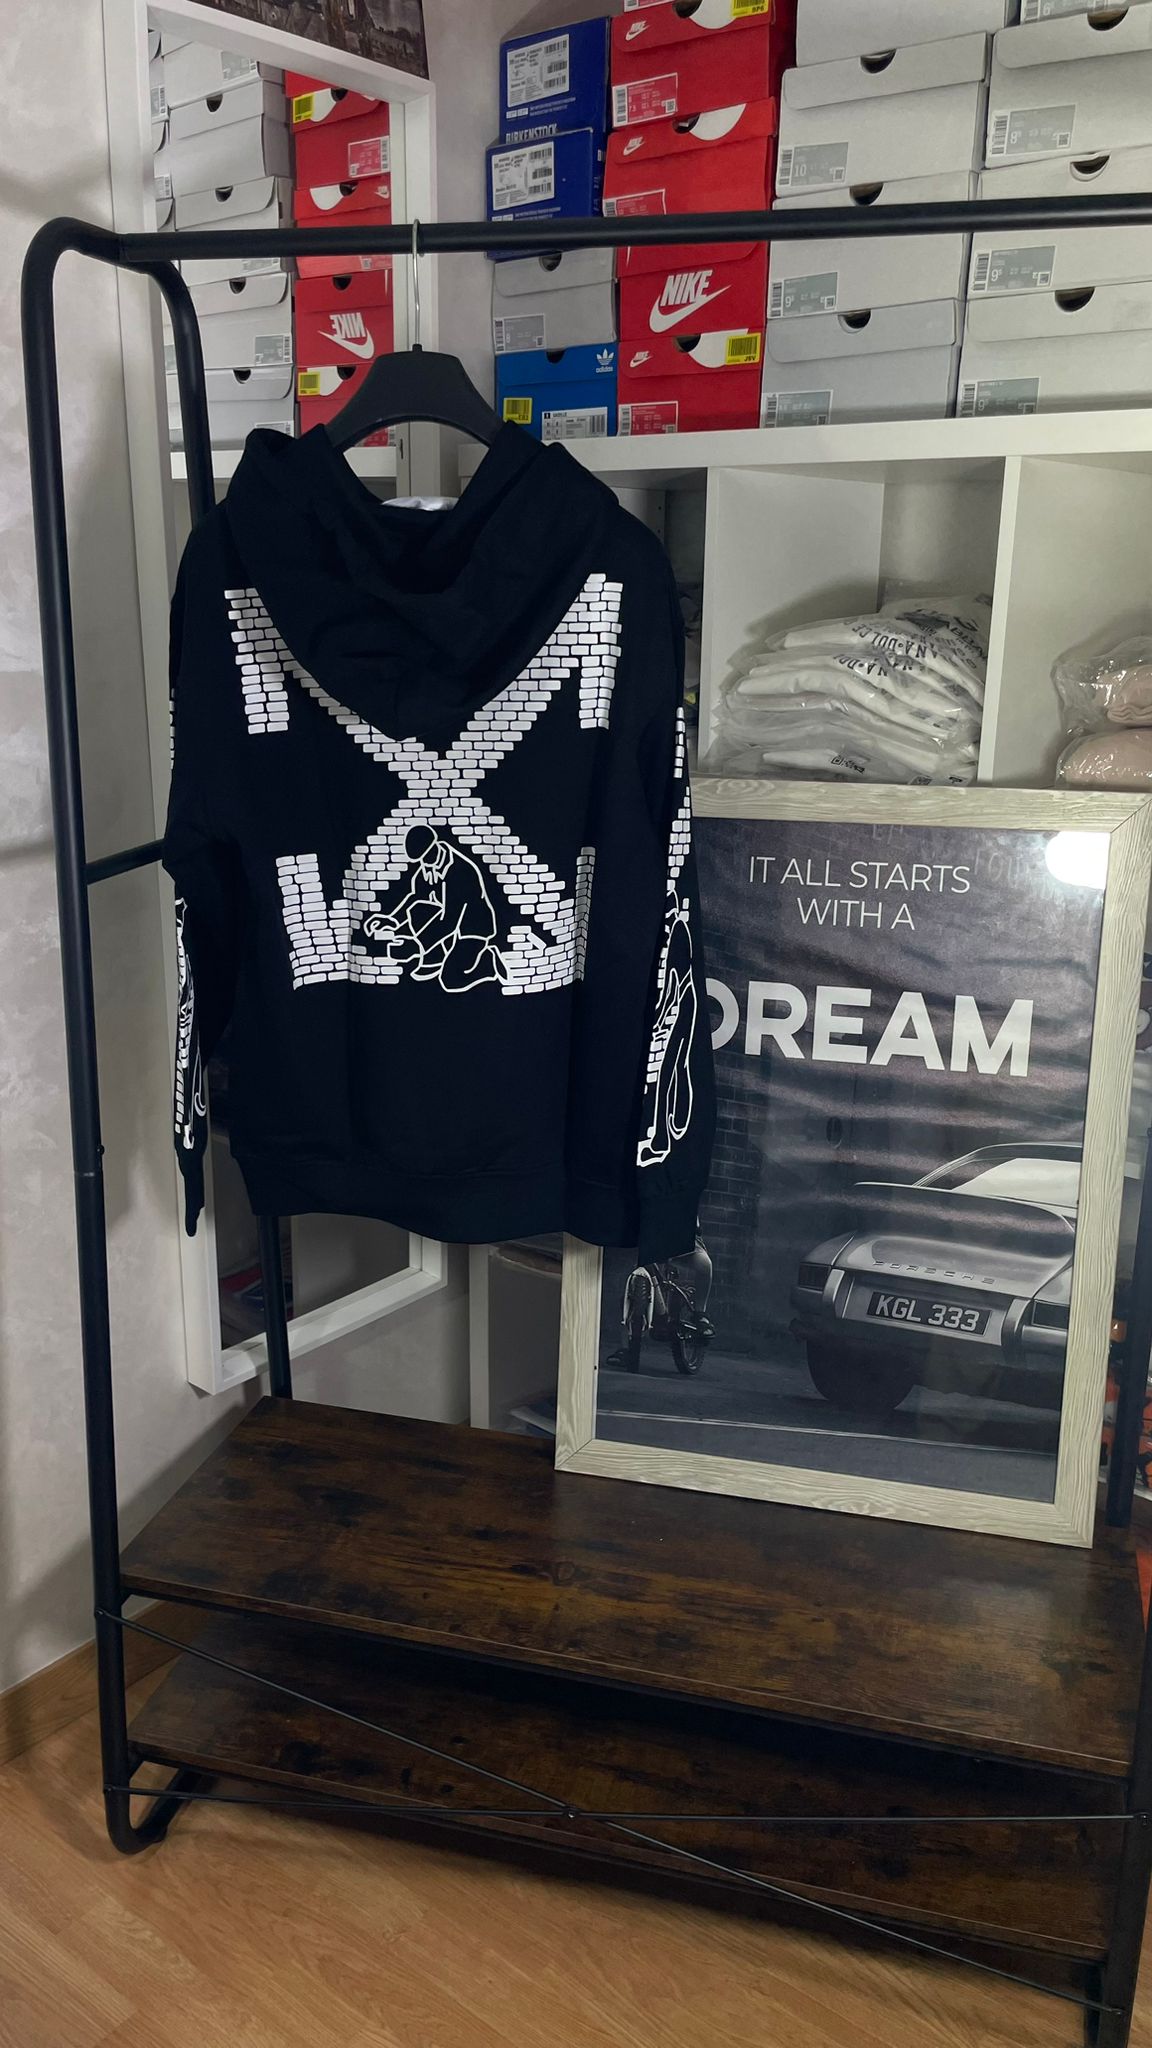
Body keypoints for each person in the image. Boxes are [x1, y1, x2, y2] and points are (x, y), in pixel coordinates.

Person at [365, 822, 505, 992]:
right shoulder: (426, 868)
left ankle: (488, 962)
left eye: (426, 856)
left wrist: (416, 945)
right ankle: (434, 958)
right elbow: (416, 897)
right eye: (421, 859)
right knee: (418, 908)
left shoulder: (461, 871)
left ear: (435, 846)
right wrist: (392, 920)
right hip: (449, 928)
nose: (423, 862)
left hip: (472, 929)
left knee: (450, 979)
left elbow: (449, 919)